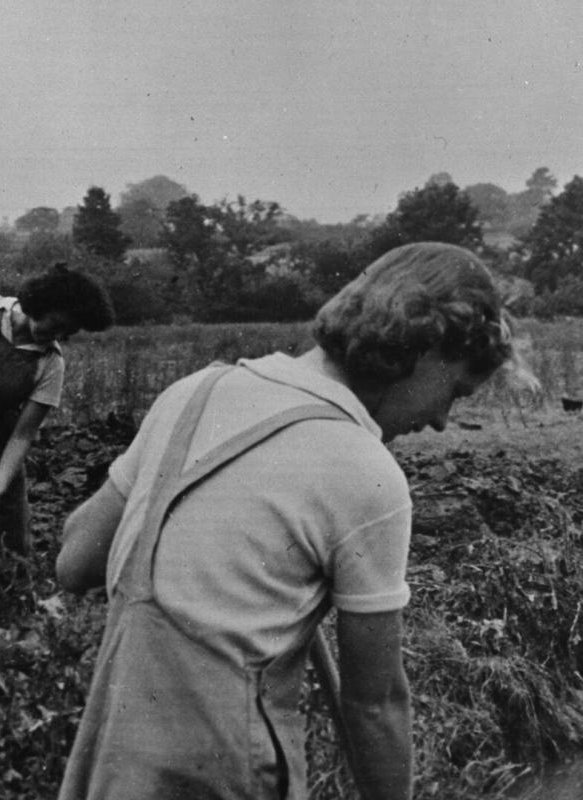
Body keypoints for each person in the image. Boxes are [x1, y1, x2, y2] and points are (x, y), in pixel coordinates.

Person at [55, 242, 512, 800]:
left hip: (114, 760)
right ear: (425, 348)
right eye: (455, 391)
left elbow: (75, 559)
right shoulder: (365, 469)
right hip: (227, 772)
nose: (442, 420)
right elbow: (376, 705)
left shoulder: (193, 392)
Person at [0, 263, 114, 611]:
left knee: (9, 537)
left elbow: (22, 435)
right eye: (56, 324)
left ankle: (14, 623)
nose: (56, 336)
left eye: (67, 332)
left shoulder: (50, 364)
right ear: (40, 303)